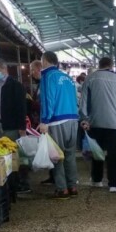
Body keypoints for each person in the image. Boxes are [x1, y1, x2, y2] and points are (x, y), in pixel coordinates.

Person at [80, 57, 116, 193]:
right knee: (114, 154)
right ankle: (113, 184)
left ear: (99, 65)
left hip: (95, 122)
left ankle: (97, 180)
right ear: (112, 66)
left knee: (97, 152)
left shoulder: (90, 79)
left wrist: (84, 119)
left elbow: (83, 102)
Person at [38, 51, 80, 199]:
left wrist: (45, 120)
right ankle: (73, 186)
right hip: (73, 119)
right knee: (70, 155)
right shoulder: (67, 77)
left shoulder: (47, 76)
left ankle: (62, 189)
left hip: (57, 120)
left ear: (45, 60)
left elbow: (48, 99)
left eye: (41, 61)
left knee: (57, 156)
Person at [0, 58, 30, 192]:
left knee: (16, 155)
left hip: (12, 126)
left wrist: (22, 128)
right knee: (5, 156)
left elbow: (21, 108)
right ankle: (11, 183)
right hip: (0, 125)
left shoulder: (15, 85)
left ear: (4, 68)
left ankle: (22, 184)